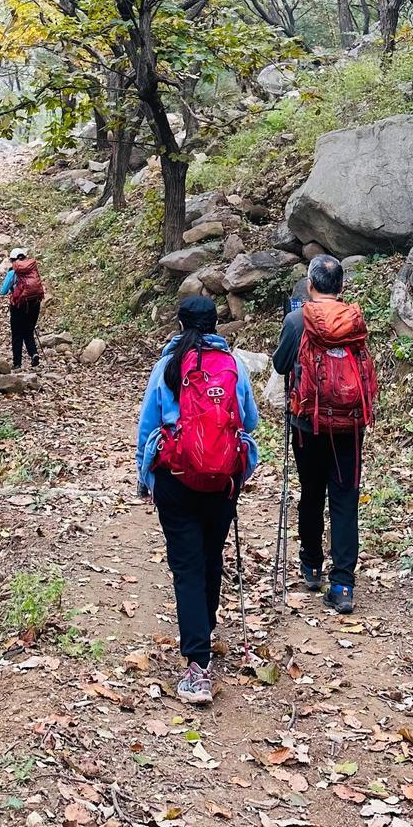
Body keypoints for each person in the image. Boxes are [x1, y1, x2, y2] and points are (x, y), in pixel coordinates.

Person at [136, 294, 260, 707]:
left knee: (186, 567)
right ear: (215, 325)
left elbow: (149, 425)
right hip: (222, 479)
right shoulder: (234, 367)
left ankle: (198, 665)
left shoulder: (168, 366)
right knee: (210, 558)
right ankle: (202, 631)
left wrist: (143, 475)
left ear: (180, 321)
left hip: (175, 477)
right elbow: (251, 421)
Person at [272, 254, 377, 616]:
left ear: (310, 285)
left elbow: (280, 365)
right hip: (350, 425)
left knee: (312, 493)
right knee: (345, 500)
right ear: (341, 287)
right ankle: (343, 584)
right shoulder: (353, 319)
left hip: (308, 424)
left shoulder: (296, 318)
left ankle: (312, 567)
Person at [0, 248, 45, 369]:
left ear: (12, 260)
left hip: (18, 306)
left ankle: (17, 363)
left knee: (17, 334)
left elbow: (3, 291)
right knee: (28, 331)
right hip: (34, 304)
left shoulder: (12, 272)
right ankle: (34, 354)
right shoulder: (32, 269)